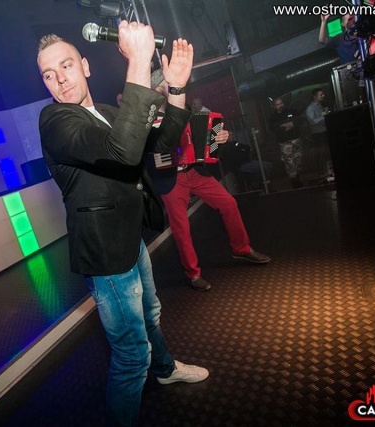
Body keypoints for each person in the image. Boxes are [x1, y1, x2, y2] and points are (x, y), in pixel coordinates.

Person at [37, 22, 208, 426]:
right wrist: (139, 60)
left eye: (66, 66)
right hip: (106, 256)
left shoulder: (109, 112)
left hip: (129, 240)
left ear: (85, 66)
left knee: (150, 314)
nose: (60, 79)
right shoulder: (56, 121)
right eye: (48, 74)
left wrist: (176, 89)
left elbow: (160, 145)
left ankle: (165, 371)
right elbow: (122, 151)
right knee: (131, 355)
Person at [149, 68, 271, 293]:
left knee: (229, 203)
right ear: (157, 89)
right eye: (168, 83)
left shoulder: (188, 110)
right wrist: (158, 156)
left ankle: (241, 249)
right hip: (171, 177)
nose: (175, 84)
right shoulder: (149, 118)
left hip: (195, 172)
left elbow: (208, 145)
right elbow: (146, 154)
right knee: (181, 227)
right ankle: (193, 273)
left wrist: (219, 138)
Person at [269, 97, 304, 189]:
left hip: (296, 140)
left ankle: (298, 177)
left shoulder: (291, 111)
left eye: (281, 103)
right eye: (278, 104)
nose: (280, 106)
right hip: (284, 143)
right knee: (289, 162)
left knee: (298, 160)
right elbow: (274, 128)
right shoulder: (273, 117)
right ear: (274, 106)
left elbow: (299, 120)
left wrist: (291, 124)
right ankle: (295, 182)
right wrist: (285, 126)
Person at [305, 88, 333, 181]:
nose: (323, 96)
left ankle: (326, 169)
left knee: (325, 151)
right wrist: (324, 116)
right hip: (318, 133)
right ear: (315, 96)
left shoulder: (320, 105)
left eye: (323, 94)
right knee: (321, 151)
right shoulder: (310, 109)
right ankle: (321, 171)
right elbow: (313, 121)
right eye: (321, 94)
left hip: (324, 130)